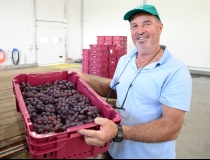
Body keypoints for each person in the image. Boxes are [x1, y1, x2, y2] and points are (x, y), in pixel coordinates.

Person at [68, 4, 192, 159]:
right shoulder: (125, 60)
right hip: (113, 150)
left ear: (160, 28)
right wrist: (84, 79)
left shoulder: (175, 70)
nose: (140, 31)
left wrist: (118, 131)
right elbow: (114, 90)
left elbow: (171, 128)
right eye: (134, 26)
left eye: (147, 24)